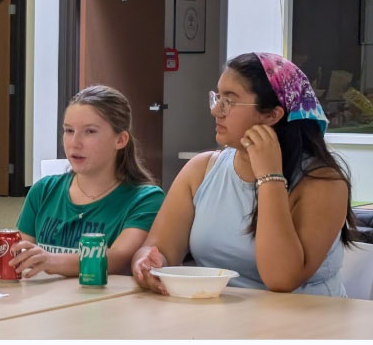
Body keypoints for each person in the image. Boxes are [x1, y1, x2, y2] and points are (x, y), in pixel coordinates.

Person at [132, 52, 357, 296]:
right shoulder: (201, 170)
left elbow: (281, 279)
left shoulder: (323, 182)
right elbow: (161, 248)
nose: (216, 110)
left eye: (229, 101)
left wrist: (270, 176)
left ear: (272, 115)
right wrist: (148, 262)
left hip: (307, 324)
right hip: (221, 319)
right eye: (217, 97)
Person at [10, 85, 165, 278]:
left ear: (121, 140)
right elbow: (24, 257)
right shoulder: (43, 190)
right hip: (43, 302)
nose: (75, 142)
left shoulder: (146, 199)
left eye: (90, 131)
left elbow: (120, 258)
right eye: (68, 130)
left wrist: (52, 260)